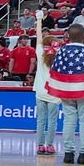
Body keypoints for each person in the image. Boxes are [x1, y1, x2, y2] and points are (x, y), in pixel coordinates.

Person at [46, 22, 84, 165]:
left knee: (69, 120)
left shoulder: (62, 50)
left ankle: (69, 153)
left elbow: (55, 70)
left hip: (66, 91)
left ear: (68, 36)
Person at [33, 11, 59, 156]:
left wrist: (39, 20)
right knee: (52, 122)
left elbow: (38, 36)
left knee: (41, 121)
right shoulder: (59, 56)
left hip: (40, 92)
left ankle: (39, 146)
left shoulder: (40, 53)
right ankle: (49, 145)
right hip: (54, 92)